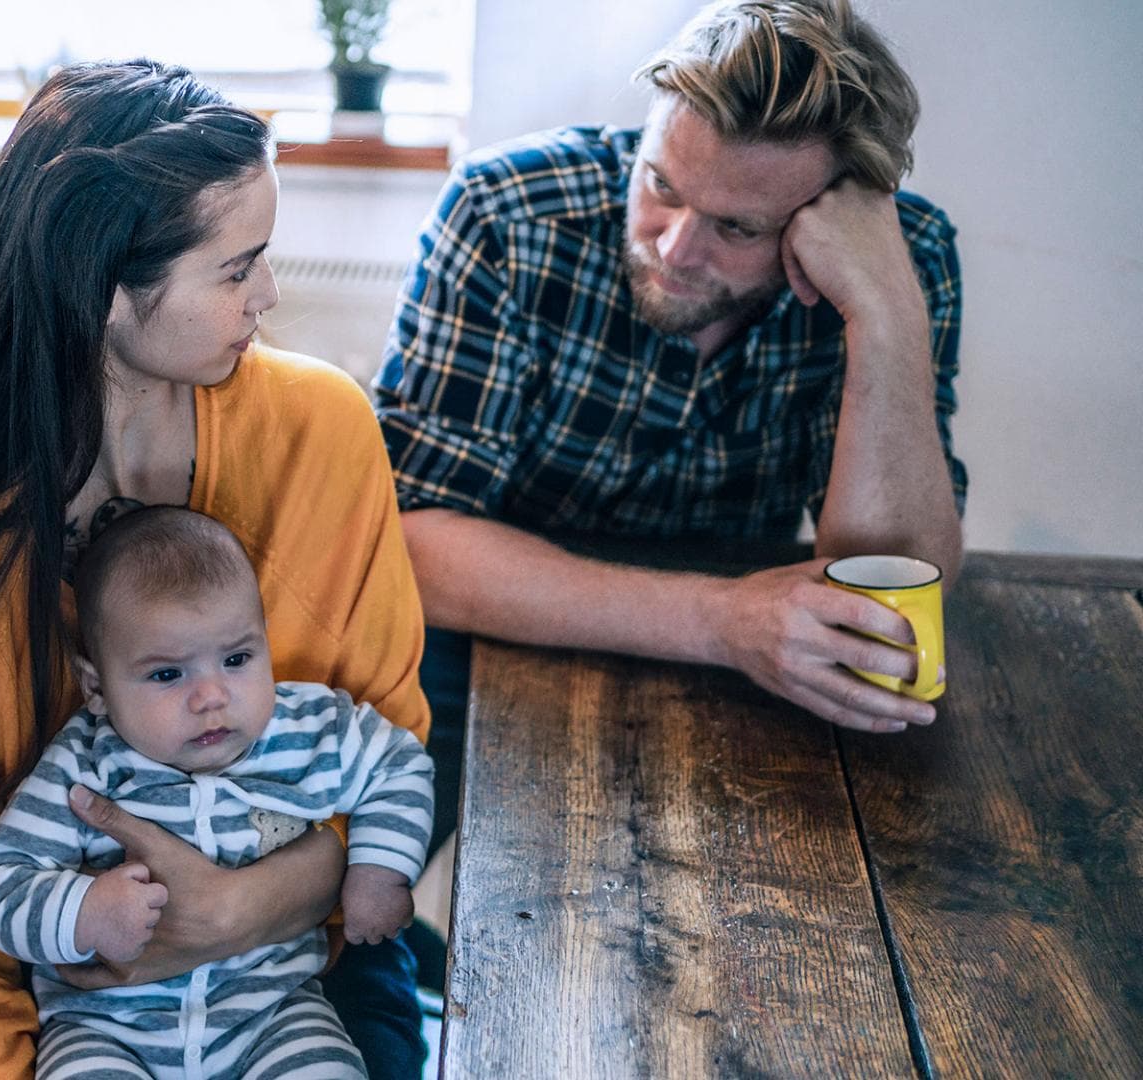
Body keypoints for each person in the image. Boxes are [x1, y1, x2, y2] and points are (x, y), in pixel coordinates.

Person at [0, 60, 433, 1079]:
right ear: (104, 292)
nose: (269, 292)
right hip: (80, 1027)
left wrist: (234, 910)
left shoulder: (325, 434)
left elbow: (394, 761)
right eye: (235, 268)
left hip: (312, 978)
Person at [374, 0, 968, 860]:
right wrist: (719, 620)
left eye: (738, 228)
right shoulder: (506, 213)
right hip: (491, 632)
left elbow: (902, 586)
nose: (675, 249)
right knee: (348, 882)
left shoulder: (903, 261)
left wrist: (883, 315)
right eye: (661, 184)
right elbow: (414, 549)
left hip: (745, 672)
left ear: (838, 212)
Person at [0, 506, 434, 1079]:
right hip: (106, 1030)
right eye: (168, 674)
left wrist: (379, 869)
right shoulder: (85, 764)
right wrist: (82, 912)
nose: (212, 696)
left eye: (237, 659)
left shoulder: (309, 729)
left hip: (272, 1014)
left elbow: (400, 764)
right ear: (97, 686)